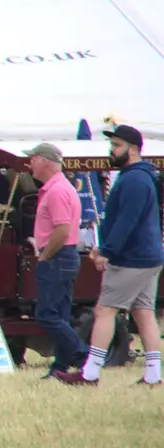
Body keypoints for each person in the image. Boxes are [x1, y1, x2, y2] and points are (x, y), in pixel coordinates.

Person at [57, 125, 163, 387]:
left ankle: (89, 373)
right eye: (111, 145)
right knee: (143, 313)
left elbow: (127, 220)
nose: (111, 150)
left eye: (117, 146)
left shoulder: (134, 179)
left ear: (133, 149)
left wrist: (108, 251)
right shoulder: (139, 176)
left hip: (132, 258)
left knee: (104, 310)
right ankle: (153, 375)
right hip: (147, 256)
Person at [22, 144, 88, 378]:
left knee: (47, 315)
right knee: (59, 315)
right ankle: (60, 367)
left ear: (45, 161)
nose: (29, 164)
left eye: (33, 159)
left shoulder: (57, 191)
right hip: (64, 256)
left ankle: (83, 357)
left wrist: (45, 255)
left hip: (57, 256)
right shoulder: (62, 187)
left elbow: (61, 229)